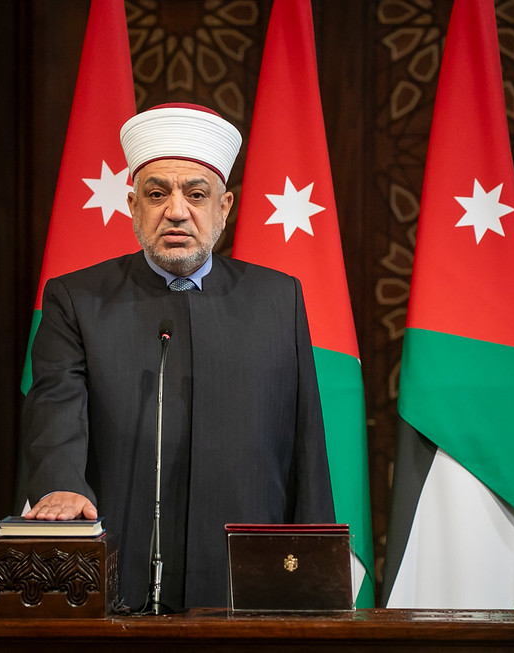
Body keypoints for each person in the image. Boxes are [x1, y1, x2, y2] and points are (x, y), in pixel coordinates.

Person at [22, 104, 334, 611]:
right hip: (122, 568)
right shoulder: (77, 298)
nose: (176, 211)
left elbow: (305, 439)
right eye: (156, 194)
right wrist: (59, 487)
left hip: (246, 574)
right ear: (132, 205)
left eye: (196, 194)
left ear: (224, 207)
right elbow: (56, 402)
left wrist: (316, 569)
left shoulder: (279, 298)